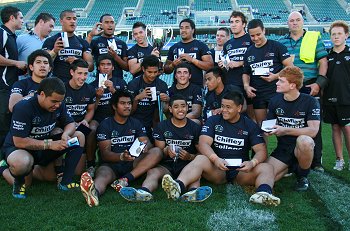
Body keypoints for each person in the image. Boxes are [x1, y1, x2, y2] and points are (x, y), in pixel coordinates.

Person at [162, 91, 280, 205]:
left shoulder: (249, 125)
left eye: (228, 107)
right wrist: (215, 159)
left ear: (239, 108)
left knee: (267, 167)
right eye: (222, 106)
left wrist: (252, 163)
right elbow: (203, 143)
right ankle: (177, 186)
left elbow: (261, 150)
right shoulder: (214, 120)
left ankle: (263, 194)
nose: (224, 110)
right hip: (217, 170)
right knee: (200, 158)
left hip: (240, 172)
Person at [2, 77, 84, 199]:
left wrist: (66, 134)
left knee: (78, 136)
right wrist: (50, 144)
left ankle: (65, 182)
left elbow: (70, 123)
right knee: (23, 166)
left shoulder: (59, 104)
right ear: (42, 94)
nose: (57, 105)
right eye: (54, 101)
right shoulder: (23, 107)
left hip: (44, 147)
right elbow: (19, 141)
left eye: (60, 101)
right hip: (20, 148)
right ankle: (5, 169)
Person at [79, 90, 163, 207]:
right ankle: (93, 193)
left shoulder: (136, 123)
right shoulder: (105, 125)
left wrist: (145, 147)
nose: (127, 106)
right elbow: (105, 154)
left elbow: (146, 141)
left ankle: (124, 180)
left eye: (129, 103)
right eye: (123, 103)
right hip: (111, 164)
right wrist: (121, 156)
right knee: (102, 176)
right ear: (114, 106)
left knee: (157, 151)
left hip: (133, 163)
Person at [119, 94, 202, 202]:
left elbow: (201, 154)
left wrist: (189, 156)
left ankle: (192, 194)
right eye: (176, 107)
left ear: (187, 108)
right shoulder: (162, 126)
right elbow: (159, 152)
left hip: (186, 166)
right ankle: (144, 192)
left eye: (183, 106)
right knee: (152, 172)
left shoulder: (195, 127)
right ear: (170, 109)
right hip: (166, 166)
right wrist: (167, 151)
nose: (180, 109)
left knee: (195, 175)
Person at [279, 11, 328, 172]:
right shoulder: (281, 42)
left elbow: (323, 62)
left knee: (314, 124)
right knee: (289, 122)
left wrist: (319, 83)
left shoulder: (314, 38)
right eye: (291, 21)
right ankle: (290, 160)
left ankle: (316, 161)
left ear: (302, 21)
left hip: (309, 85)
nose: (294, 23)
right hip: (289, 88)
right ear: (288, 24)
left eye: (297, 20)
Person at [265, 66, 320, 192]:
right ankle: (291, 166)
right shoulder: (274, 101)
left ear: (292, 85)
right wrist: (267, 130)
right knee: (268, 176)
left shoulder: (310, 101)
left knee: (305, 141)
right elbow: (269, 124)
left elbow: (313, 131)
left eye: (281, 81)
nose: (277, 83)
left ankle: (302, 176)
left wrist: (285, 130)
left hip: (301, 146)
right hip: (284, 148)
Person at [242, 19, 293, 126]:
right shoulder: (249, 52)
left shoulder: (277, 46)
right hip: (258, 94)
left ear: (264, 31)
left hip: (276, 92)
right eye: (252, 36)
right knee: (263, 126)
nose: (255, 38)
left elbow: (290, 67)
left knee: (282, 124)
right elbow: (246, 72)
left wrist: (276, 76)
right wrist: (246, 86)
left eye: (258, 34)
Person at [88, 54, 127, 173]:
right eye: (102, 65)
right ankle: (91, 164)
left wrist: (113, 91)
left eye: (108, 64)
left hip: (115, 118)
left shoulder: (120, 82)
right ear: (98, 67)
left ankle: (119, 160)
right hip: (98, 117)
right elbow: (91, 110)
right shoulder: (91, 85)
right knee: (92, 129)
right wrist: (98, 98)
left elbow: (125, 104)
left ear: (113, 67)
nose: (105, 67)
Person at [323, 20, 350, 171]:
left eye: (339, 34)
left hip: (347, 99)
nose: (336, 37)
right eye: (333, 34)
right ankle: (339, 159)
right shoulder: (327, 57)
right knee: (335, 128)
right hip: (330, 98)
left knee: (347, 128)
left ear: (346, 35)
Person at [42, 10, 93, 83]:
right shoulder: (51, 41)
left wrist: (78, 61)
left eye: (74, 19)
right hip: (57, 84)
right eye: (69, 19)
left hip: (77, 85)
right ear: (61, 21)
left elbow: (91, 67)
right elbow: (43, 62)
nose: (72, 21)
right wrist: (54, 51)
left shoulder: (82, 42)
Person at [64, 59, 96, 174]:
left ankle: (90, 162)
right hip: (65, 126)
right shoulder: (63, 88)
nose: (83, 77)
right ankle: (58, 166)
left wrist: (85, 120)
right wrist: (70, 124)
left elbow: (91, 109)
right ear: (72, 72)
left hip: (80, 124)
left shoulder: (90, 89)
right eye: (80, 73)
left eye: (85, 74)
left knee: (92, 128)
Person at [0, 6, 26, 146]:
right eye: (21, 17)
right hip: (3, 87)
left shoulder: (11, 36)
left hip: (9, 86)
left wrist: (21, 69)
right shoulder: (2, 32)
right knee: (3, 124)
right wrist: (16, 63)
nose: (23, 20)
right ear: (12, 18)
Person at [127, 55, 169, 140]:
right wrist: (138, 97)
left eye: (155, 72)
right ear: (143, 69)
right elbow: (128, 112)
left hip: (153, 121)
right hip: (135, 122)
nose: (152, 75)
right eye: (149, 72)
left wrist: (167, 100)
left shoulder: (162, 85)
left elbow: (165, 111)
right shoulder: (133, 84)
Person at [164, 18, 214, 87]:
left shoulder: (201, 45)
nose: (183, 30)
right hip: (177, 88)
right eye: (181, 28)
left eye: (187, 28)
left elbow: (210, 66)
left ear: (193, 30)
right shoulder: (173, 48)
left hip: (196, 87)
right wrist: (172, 65)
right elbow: (166, 70)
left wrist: (192, 60)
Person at [87, 14, 129, 79]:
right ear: (101, 25)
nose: (110, 25)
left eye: (112, 22)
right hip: (100, 81)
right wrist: (90, 35)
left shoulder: (122, 43)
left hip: (118, 82)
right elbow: (85, 54)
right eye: (106, 22)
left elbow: (127, 68)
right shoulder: (95, 42)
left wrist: (115, 56)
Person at [17, 12, 55, 79]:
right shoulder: (21, 39)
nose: (52, 29)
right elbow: (12, 58)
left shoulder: (52, 41)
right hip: (25, 84)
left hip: (46, 85)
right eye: (50, 26)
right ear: (41, 22)